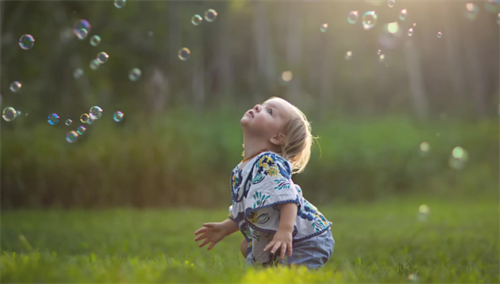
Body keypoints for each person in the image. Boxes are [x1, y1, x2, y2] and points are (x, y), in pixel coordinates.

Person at [194, 96, 334, 269]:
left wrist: (285, 231)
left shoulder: (268, 162)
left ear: (277, 137)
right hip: (286, 234)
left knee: (284, 277)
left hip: (306, 238)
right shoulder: (243, 168)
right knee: (247, 247)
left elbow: (290, 198)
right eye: (262, 105)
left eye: (269, 111)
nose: (258, 107)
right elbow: (249, 210)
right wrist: (225, 228)